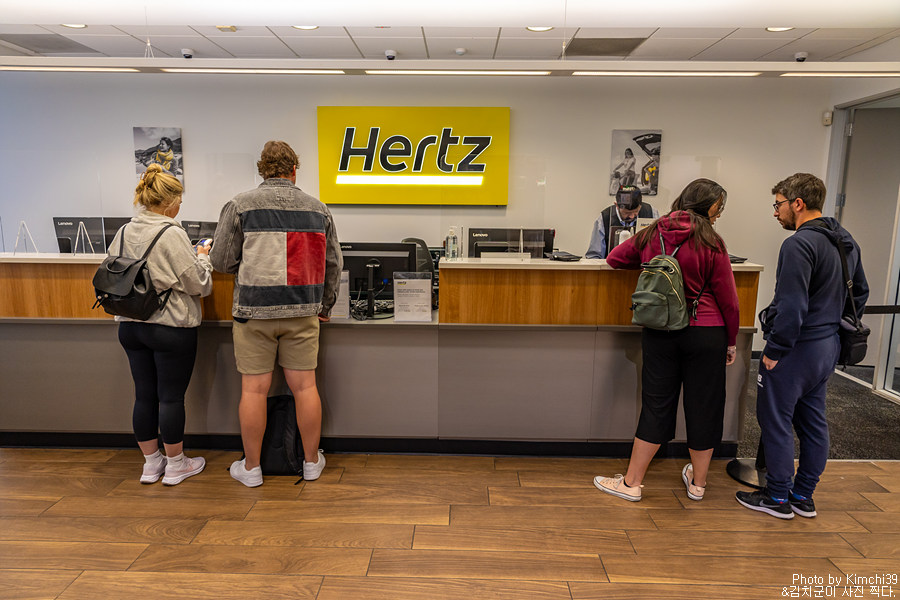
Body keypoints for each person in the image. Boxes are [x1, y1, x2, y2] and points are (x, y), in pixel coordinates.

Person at [594, 178, 739, 502]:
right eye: (718, 208)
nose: (719, 214)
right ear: (708, 207)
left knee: (656, 405)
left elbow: (615, 258)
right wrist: (731, 341)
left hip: (661, 330)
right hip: (706, 332)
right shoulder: (711, 241)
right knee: (704, 406)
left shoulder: (653, 231)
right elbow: (728, 299)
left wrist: (649, 262)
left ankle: (631, 483)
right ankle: (698, 484)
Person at [210, 140, 342, 488]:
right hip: (302, 311)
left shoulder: (239, 205)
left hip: (254, 312)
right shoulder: (319, 209)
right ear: (294, 170)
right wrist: (325, 305)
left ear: (262, 170)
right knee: (305, 387)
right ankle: (311, 463)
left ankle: (252, 469)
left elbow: (220, 261)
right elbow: (333, 264)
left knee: (254, 391)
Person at [736, 173, 868, 519]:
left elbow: (791, 306)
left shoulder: (798, 244)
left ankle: (778, 497)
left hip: (796, 349)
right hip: (827, 347)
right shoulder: (845, 241)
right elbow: (860, 294)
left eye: (778, 204)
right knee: (813, 422)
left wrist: (775, 350)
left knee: (775, 420)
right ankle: (803, 496)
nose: (775, 212)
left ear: (798, 204)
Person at [112, 163, 213, 486]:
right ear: (168, 203)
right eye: (179, 201)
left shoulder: (124, 231)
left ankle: (151, 464)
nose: (180, 206)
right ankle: (176, 465)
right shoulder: (171, 233)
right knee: (170, 398)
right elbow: (199, 284)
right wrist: (203, 256)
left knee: (144, 396)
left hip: (130, 326)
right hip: (169, 326)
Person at [585, 185, 658, 259]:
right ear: (617, 205)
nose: (632, 216)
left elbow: (659, 249)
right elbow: (594, 256)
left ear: (640, 205)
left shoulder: (651, 213)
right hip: (612, 265)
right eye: (626, 213)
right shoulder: (605, 218)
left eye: (636, 211)